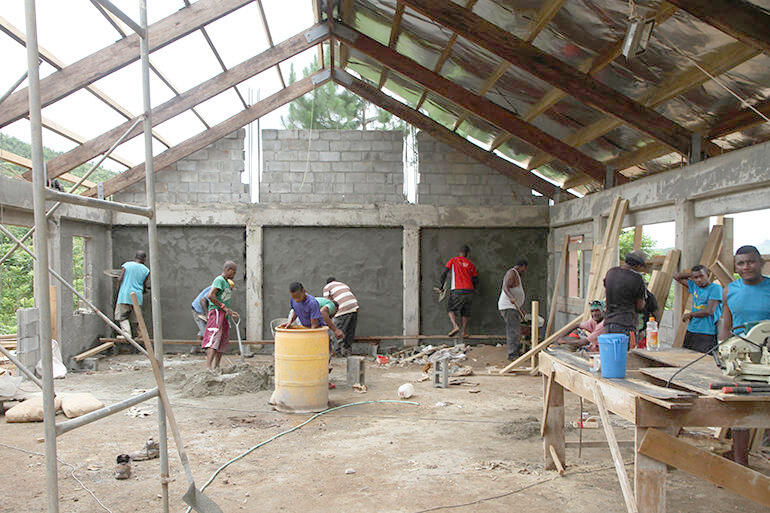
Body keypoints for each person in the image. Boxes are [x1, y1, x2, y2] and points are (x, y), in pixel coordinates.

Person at [720, 245, 770, 467]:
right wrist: (722, 348)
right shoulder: (730, 290)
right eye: (741, 263)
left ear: (761, 263)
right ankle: (742, 463)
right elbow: (726, 323)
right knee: (741, 409)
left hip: (767, 355)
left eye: (750, 262)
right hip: (741, 358)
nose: (746, 266)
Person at [673, 264, 723, 353]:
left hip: (707, 332)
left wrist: (690, 314)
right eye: (695, 277)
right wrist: (691, 275)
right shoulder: (694, 286)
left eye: (701, 276)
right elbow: (676, 276)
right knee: (688, 357)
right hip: (692, 329)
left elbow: (709, 311)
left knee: (704, 360)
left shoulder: (715, 288)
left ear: (708, 275)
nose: (699, 280)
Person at [201, 261, 239, 370]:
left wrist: (229, 310)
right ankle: (208, 367)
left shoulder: (227, 283)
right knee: (214, 337)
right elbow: (211, 296)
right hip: (216, 312)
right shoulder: (219, 280)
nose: (234, 275)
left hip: (223, 313)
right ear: (227, 270)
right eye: (233, 272)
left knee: (222, 340)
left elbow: (223, 299)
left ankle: (217, 366)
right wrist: (223, 307)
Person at [603, 250, 648, 339]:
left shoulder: (611, 272)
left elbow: (607, 292)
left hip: (608, 322)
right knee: (624, 352)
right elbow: (640, 305)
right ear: (638, 265)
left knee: (611, 351)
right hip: (625, 324)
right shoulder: (637, 278)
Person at [439, 245, 479, 337]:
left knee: (450, 309)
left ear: (459, 252)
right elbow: (476, 279)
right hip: (469, 291)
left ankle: (455, 326)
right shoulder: (470, 264)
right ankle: (464, 332)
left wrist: (441, 286)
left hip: (457, 290)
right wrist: (474, 290)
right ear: (467, 254)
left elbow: (444, 273)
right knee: (465, 311)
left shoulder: (453, 260)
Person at [114, 251, 150, 338]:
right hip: (137, 296)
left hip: (125, 294)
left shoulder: (127, 265)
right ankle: (141, 336)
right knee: (137, 317)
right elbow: (144, 284)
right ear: (144, 259)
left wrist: (118, 291)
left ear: (135, 257)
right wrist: (144, 290)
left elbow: (120, 279)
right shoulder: (146, 270)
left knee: (122, 315)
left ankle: (126, 334)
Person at [498, 259, 527, 360]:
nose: (525, 271)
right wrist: (511, 297)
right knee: (513, 330)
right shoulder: (512, 273)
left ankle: (516, 351)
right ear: (522, 266)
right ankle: (512, 354)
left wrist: (520, 307)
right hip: (508, 307)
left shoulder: (516, 275)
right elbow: (505, 287)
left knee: (516, 330)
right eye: (524, 268)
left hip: (513, 307)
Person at [323, 278, 359, 356]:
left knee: (337, 330)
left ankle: (337, 353)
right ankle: (347, 352)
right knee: (350, 331)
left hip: (343, 307)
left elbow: (328, 302)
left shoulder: (327, 287)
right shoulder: (343, 284)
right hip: (354, 306)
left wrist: (329, 319)